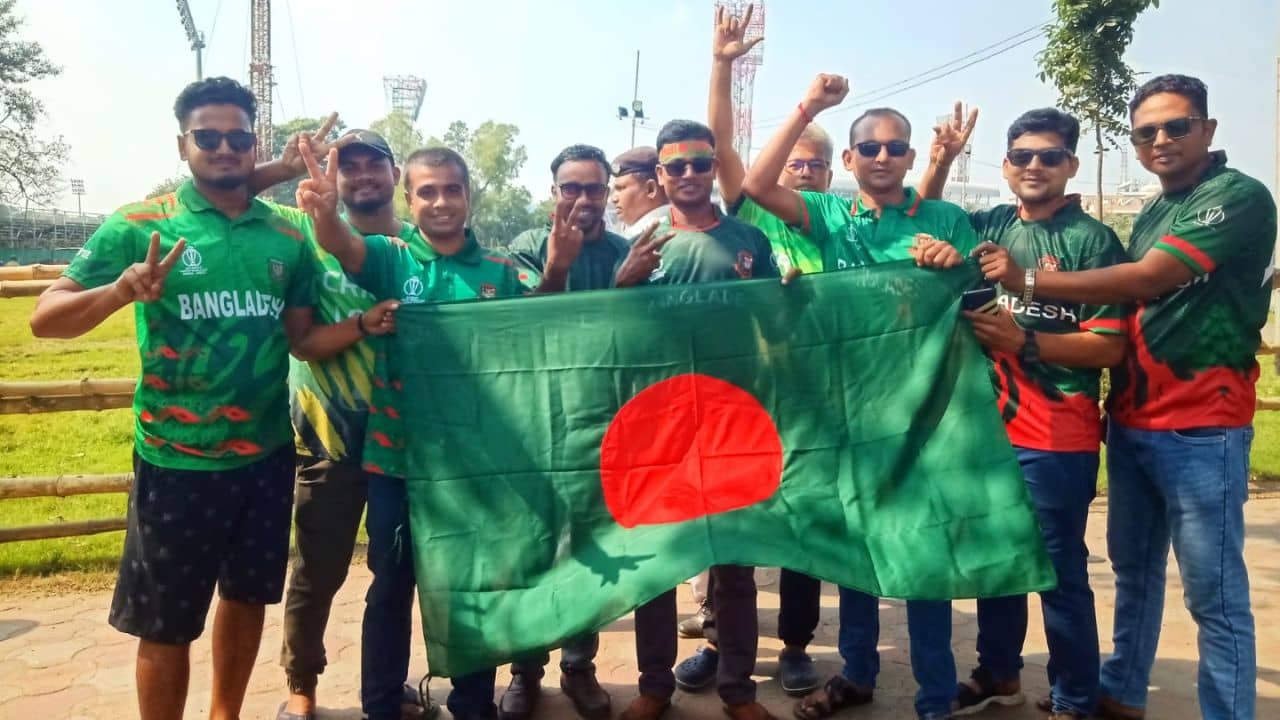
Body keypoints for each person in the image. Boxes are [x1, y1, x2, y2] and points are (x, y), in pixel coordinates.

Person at [28, 77, 395, 720]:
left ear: (254, 143)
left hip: (265, 457)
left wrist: (364, 323)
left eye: (238, 138)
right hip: (176, 460)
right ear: (182, 144)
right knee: (166, 623)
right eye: (208, 137)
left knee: (247, 599)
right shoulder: (141, 224)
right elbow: (45, 319)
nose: (225, 149)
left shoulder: (287, 236)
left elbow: (302, 339)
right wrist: (119, 291)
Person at [975, 74, 1274, 720]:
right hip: (1133, 419)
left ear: (1208, 130)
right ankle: (1120, 693)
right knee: (1133, 573)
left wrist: (1026, 290)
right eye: (1146, 133)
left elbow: (1145, 280)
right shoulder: (1159, 210)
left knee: (1213, 595)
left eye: (1177, 126)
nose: (1160, 140)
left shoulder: (1237, 196)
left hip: (1202, 423)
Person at [741, 74, 975, 720]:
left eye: (895, 148)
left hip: (923, 418)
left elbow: (978, 298)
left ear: (910, 156)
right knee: (855, 554)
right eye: (868, 148)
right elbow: (756, 186)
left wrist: (951, 263)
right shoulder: (831, 218)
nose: (881, 157)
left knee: (923, 558)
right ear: (848, 160)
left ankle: (935, 695)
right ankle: (857, 673)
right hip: (847, 413)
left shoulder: (945, 220)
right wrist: (808, 107)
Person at [295, 140, 542, 720]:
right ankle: (381, 704)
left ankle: (472, 704)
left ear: (469, 196)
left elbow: (546, 328)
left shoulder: (503, 271)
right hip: (396, 460)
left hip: (475, 465)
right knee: (391, 585)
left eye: (452, 190)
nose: (441, 202)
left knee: (472, 585)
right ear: (409, 199)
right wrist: (325, 213)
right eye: (427, 192)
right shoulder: (392, 257)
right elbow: (341, 244)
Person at [921, 107, 1129, 720]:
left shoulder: (1092, 241)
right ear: (1006, 166)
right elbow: (926, 220)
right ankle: (998, 673)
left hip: (1058, 429)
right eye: (1021, 156)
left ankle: (1075, 698)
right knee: (997, 559)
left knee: (1057, 569)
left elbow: (1109, 345)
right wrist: (940, 162)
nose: (1034, 166)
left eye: (1049, 156)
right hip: (986, 428)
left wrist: (1025, 340)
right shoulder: (989, 224)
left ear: (1071, 164)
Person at [671, 2, 825, 699]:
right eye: (795, 162)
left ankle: (793, 646)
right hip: (722, 402)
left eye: (817, 163)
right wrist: (722, 65)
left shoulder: (841, 223)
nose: (805, 172)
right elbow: (721, 143)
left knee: (796, 528)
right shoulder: (751, 217)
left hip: (804, 397)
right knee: (720, 533)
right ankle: (719, 644)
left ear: (834, 169)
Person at [258, 129, 438, 720]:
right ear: (334, 178)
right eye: (349, 166)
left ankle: (386, 687)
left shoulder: (417, 245)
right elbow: (303, 343)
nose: (362, 176)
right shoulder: (308, 240)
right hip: (329, 436)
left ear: (395, 175)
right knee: (318, 568)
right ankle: (301, 684)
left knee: (397, 572)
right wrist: (363, 324)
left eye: (373, 165)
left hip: (406, 440)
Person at [618, 118, 780, 720]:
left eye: (700, 163)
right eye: (676, 166)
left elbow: (776, 324)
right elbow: (607, 329)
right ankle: (654, 686)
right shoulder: (638, 239)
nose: (689, 174)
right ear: (659, 176)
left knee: (734, 563)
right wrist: (623, 283)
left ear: (714, 167)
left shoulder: (749, 240)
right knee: (656, 560)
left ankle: (739, 689)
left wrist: (791, 294)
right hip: (656, 424)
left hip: (732, 424)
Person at [500, 143, 667, 720]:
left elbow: (635, 341)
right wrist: (557, 268)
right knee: (533, 549)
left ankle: (579, 666)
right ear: (553, 193)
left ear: (608, 192)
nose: (583, 199)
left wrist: (627, 286)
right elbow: (518, 330)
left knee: (588, 549)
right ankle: (524, 671)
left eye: (595, 187)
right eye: (571, 188)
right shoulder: (526, 247)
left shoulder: (628, 253)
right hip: (535, 422)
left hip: (602, 423)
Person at [610, 146, 669, 239]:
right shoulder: (636, 232)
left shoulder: (659, 235)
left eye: (621, 188)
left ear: (650, 189)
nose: (614, 199)